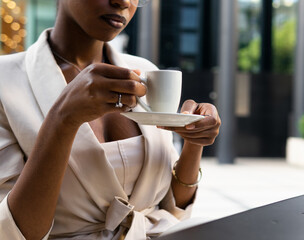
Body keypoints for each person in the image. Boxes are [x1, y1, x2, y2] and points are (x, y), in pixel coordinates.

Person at [0, 0, 221, 239]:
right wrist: (63, 118)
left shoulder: (145, 71)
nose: (124, 2)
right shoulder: (6, 81)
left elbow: (172, 208)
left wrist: (193, 142)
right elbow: (13, 231)